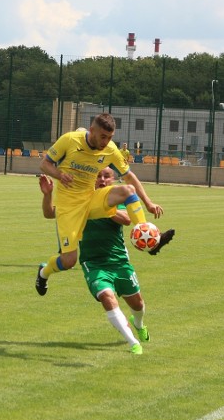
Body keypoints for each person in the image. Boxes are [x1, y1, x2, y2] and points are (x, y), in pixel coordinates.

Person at [35, 112, 172, 296]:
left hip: (91, 199)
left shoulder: (110, 149)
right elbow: (45, 164)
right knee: (68, 261)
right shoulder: (69, 140)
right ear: (92, 130)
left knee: (127, 190)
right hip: (69, 207)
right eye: (103, 136)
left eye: (110, 137)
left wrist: (147, 202)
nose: (106, 141)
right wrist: (59, 175)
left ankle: (146, 234)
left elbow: (129, 176)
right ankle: (44, 272)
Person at [40, 169, 161, 355]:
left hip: (119, 261)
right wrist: (48, 195)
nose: (102, 180)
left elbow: (128, 220)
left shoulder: (114, 200)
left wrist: (102, 208)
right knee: (106, 297)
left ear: (113, 180)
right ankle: (133, 343)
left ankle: (139, 324)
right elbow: (49, 213)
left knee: (137, 304)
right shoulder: (78, 203)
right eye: (98, 176)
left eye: (106, 176)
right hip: (93, 263)